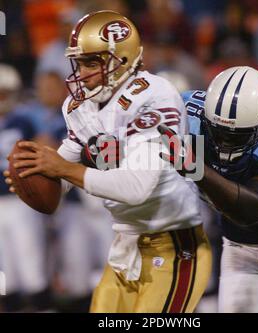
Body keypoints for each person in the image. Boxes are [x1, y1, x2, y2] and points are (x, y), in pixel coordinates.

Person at [4, 11, 211, 313]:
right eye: (79, 63)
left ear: (123, 59)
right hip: (125, 245)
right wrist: (33, 176)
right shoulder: (80, 105)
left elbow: (136, 188)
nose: (82, 73)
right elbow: (60, 177)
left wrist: (62, 169)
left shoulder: (154, 95)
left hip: (174, 247)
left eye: (92, 62)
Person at [159, 66, 258, 312]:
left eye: (236, 136)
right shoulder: (186, 112)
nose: (224, 143)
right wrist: (105, 152)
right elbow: (138, 138)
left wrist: (198, 170)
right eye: (218, 132)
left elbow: (252, 210)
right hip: (242, 249)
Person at [0, 64, 51, 312]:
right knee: (6, 268)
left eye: (3, 92)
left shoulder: (23, 119)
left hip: (21, 198)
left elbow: (45, 149)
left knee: (30, 260)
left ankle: (41, 305)